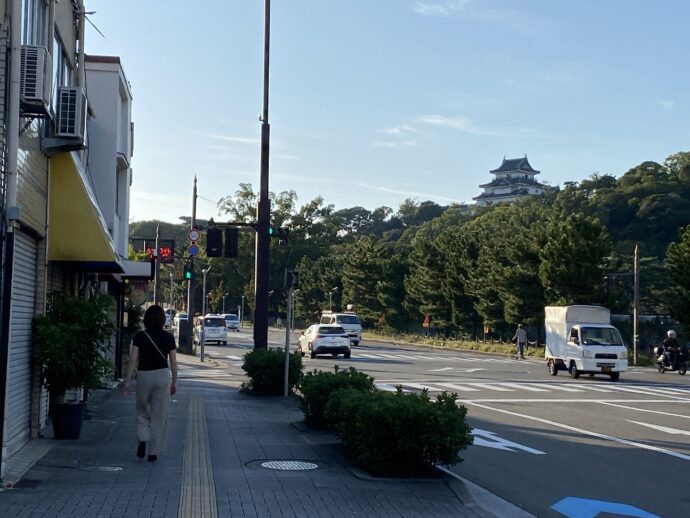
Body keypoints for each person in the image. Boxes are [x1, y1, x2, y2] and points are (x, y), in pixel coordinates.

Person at [123, 305, 177, 462]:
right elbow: (173, 363)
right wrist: (174, 382)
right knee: (159, 415)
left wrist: (127, 382)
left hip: (144, 375)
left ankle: (142, 438)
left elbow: (133, 360)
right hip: (162, 376)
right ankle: (153, 452)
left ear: (146, 319)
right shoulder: (168, 338)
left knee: (142, 410)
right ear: (162, 319)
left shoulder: (140, 336)